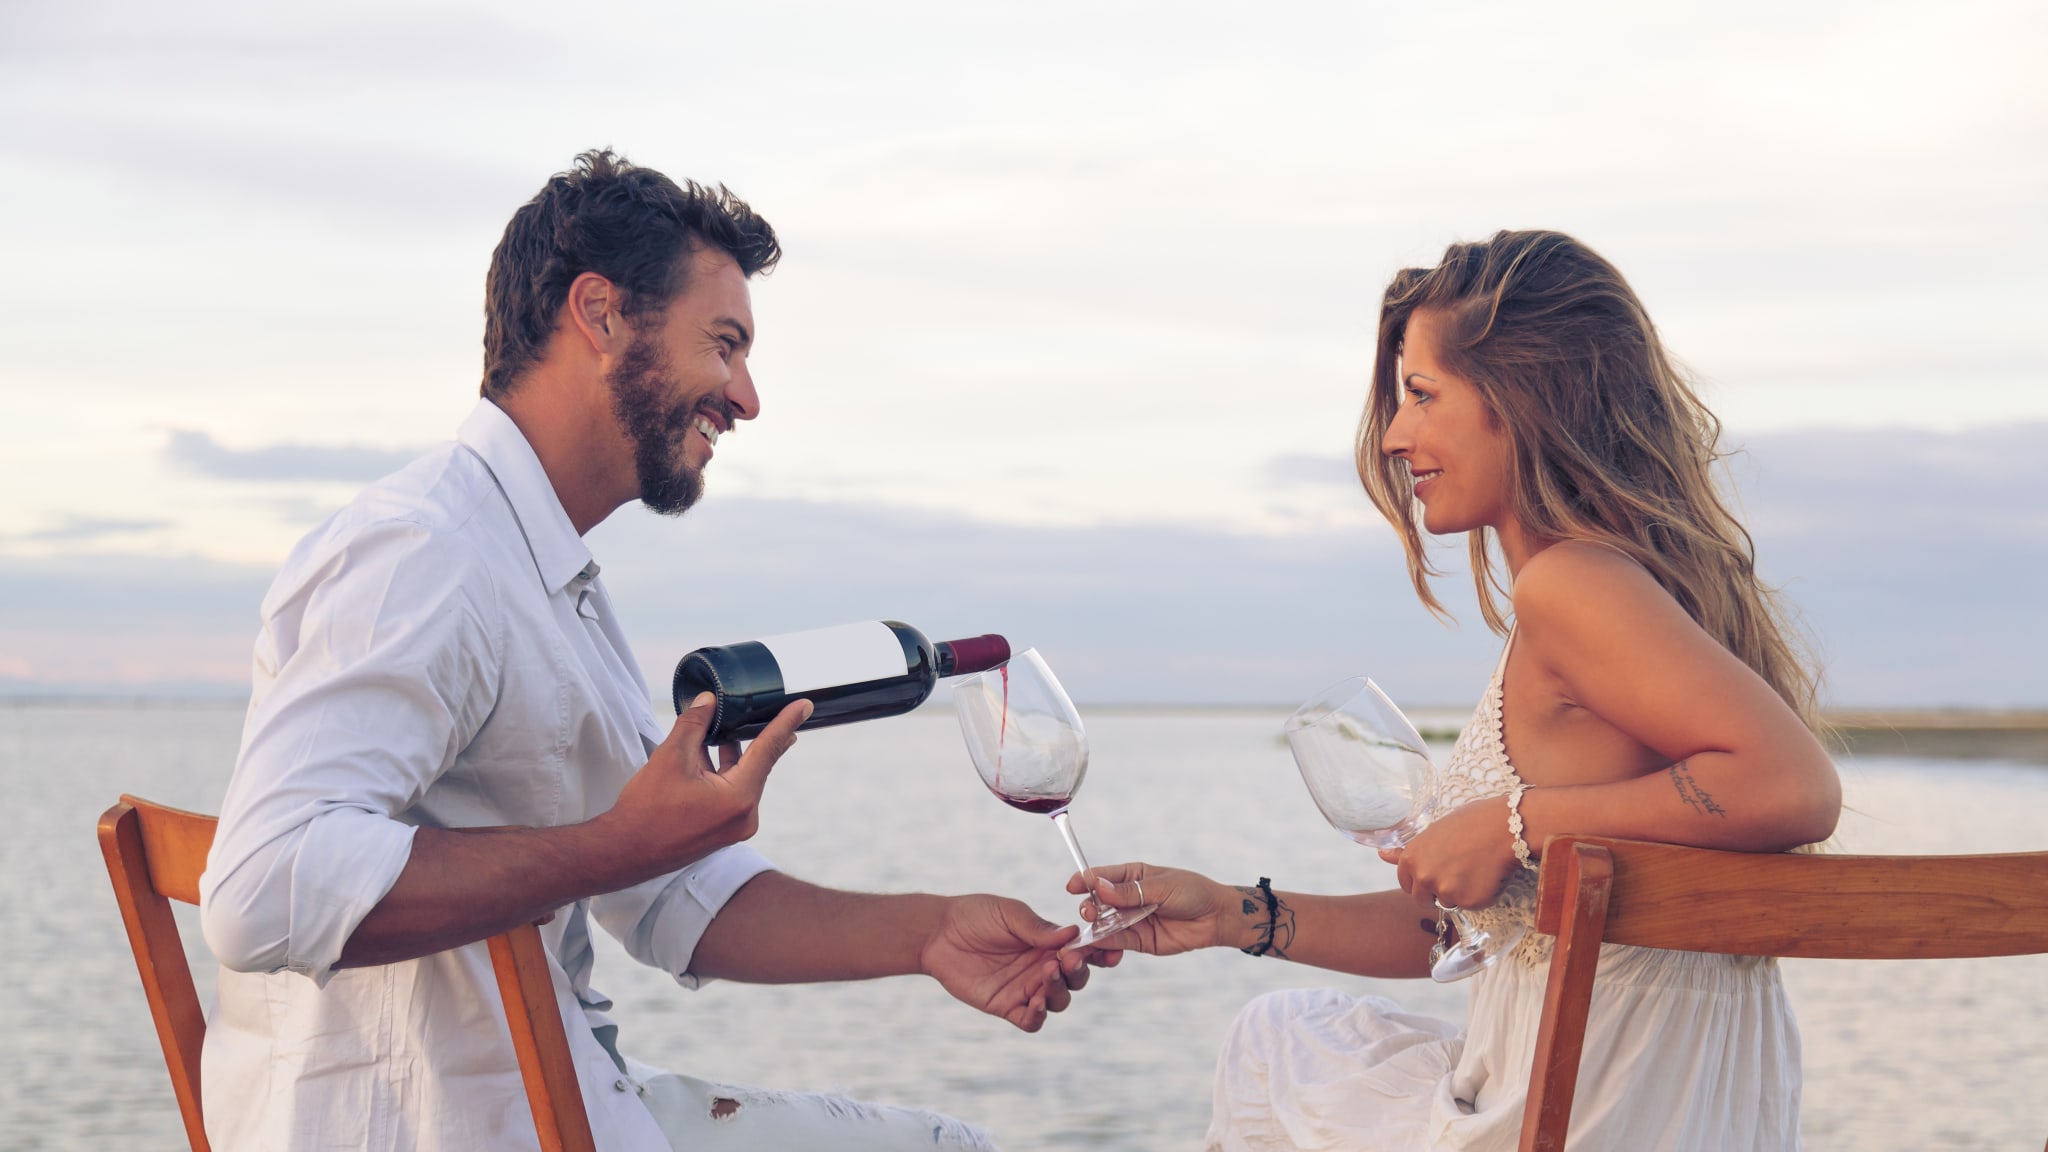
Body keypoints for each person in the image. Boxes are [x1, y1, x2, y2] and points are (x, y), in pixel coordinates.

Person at [196, 149, 1092, 1152]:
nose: (746, 398)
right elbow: (261, 890)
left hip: (560, 1098)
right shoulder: (425, 551)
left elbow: (670, 897)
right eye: (724, 345)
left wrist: (931, 934)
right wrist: (617, 843)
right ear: (600, 314)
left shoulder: (544, 575)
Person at [1073, 231, 1843, 1151]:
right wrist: (1240, 915)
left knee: (1276, 1042)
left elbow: (1792, 788)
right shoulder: (1643, 590)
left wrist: (1514, 821)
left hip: (1588, 1111)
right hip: (1665, 1107)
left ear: (1526, 398)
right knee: (1289, 1037)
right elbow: (1489, 931)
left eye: (1423, 394)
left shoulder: (1573, 585)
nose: (1394, 437)